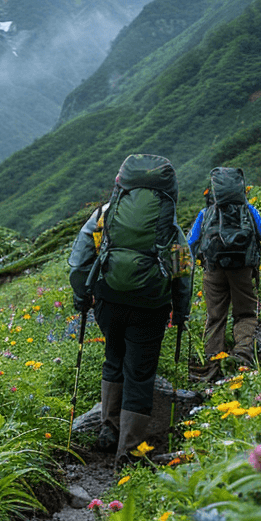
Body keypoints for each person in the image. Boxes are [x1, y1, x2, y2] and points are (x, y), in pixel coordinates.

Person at [69, 154, 192, 467]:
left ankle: (108, 429)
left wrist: (82, 294)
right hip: (150, 307)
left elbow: (81, 256)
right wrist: (180, 311)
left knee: (114, 358)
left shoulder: (104, 215)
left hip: (108, 302)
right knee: (139, 374)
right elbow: (182, 271)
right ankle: (129, 451)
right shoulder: (168, 225)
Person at [187, 167, 261, 381]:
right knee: (244, 313)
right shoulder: (248, 210)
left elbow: (190, 242)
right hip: (243, 269)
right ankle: (242, 355)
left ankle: (213, 362)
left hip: (213, 269)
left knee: (215, 316)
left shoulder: (205, 214)